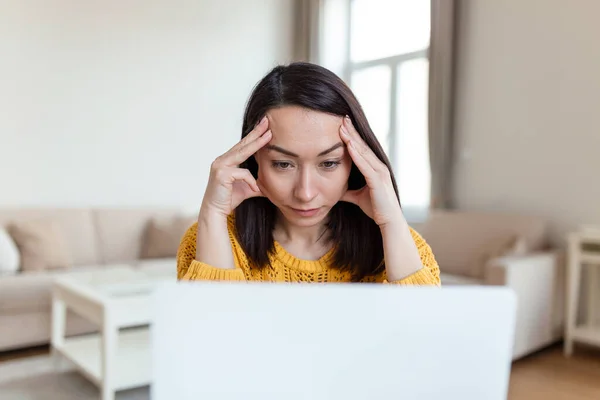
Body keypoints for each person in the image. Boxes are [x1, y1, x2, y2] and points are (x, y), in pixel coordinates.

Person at [177, 62, 440, 285]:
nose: (305, 193)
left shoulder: (400, 244)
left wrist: (392, 222)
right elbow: (210, 340)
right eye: (283, 164)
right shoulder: (208, 238)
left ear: (357, 162)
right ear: (253, 158)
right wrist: (213, 215)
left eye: (328, 163)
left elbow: (424, 338)